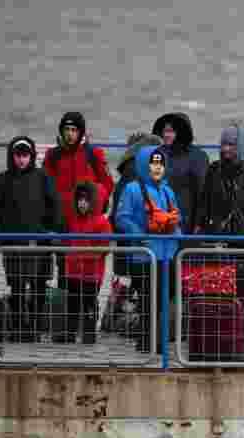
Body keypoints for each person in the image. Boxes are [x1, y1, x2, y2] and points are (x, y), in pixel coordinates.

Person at [0, 136, 63, 343]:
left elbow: (54, 204)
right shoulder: (2, 179)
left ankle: (37, 327)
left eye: (25, 155)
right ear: (11, 156)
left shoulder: (42, 177)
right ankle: (19, 326)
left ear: (32, 156)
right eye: (17, 155)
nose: (21, 160)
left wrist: (53, 231)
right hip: (12, 243)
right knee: (17, 287)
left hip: (39, 243)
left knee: (39, 285)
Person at [114, 147, 182, 353]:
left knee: (164, 298)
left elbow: (177, 217)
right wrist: (140, 235)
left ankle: (157, 340)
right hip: (144, 255)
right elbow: (122, 217)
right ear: (145, 165)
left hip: (167, 253)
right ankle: (146, 340)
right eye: (153, 163)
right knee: (147, 299)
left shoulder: (167, 190)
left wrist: (178, 234)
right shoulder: (132, 189)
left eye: (160, 163)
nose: (157, 167)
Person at [43, 112, 114, 288]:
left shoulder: (93, 154)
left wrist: (95, 208)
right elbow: (45, 187)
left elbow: (107, 183)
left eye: (74, 130)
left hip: (88, 225)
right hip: (63, 224)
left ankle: (89, 311)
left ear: (81, 132)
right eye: (66, 129)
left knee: (90, 272)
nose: (70, 134)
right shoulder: (53, 156)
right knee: (65, 272)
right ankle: (68, 312)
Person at [55, 181, 112, 344]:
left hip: (91, 273)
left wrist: (84, 255)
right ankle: (70, 333)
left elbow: (104, 248)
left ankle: (89, 334)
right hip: (73, 270)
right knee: (72, 304)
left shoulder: (102, 222)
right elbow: (67, 242)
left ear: (93, 201)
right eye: (79, 199)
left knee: (89, 304)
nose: (82, 203)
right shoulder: (73, 220)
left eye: (86, 200)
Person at [193, 121, 244, 245]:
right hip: (218, 233)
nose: (225, 149)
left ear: (240, 145)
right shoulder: (214, 169)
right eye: (223, 144)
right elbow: (204, 201)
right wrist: (199, 224)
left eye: (231, 145)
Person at [111, 132, 162, 278]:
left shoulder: (127, 172)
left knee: (129, 289)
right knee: (145, 292)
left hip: (127, 247)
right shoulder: (140, 172)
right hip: (141, 246)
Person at [152, 112, 209, 234]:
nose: (166, 135)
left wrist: (199, 223)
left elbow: (202, 192)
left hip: (186, 219)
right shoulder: (158, 153)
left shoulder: (198, 156)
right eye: (164, 131)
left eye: (171, 131)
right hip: (161, 218)